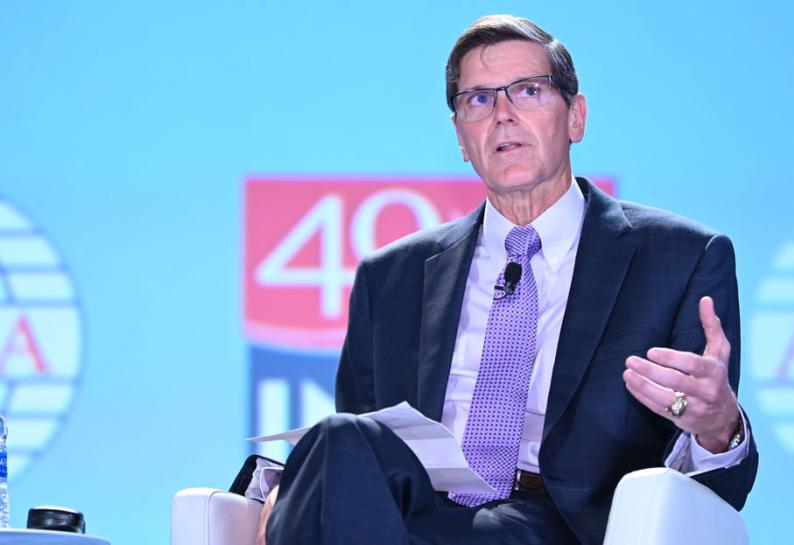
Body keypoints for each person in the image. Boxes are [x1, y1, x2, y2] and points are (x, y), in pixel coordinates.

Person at [260, 14, 757, 545]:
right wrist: (289, 487)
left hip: (562, 525)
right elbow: (359, 449)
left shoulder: (678, 258)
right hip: (404, 515)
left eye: (527, 91)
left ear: (576, 117)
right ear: (460, 137)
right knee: (338, 437)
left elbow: (717, 494)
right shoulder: (392, 277)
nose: (502, 115)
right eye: (478, 100)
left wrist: (718, 426)